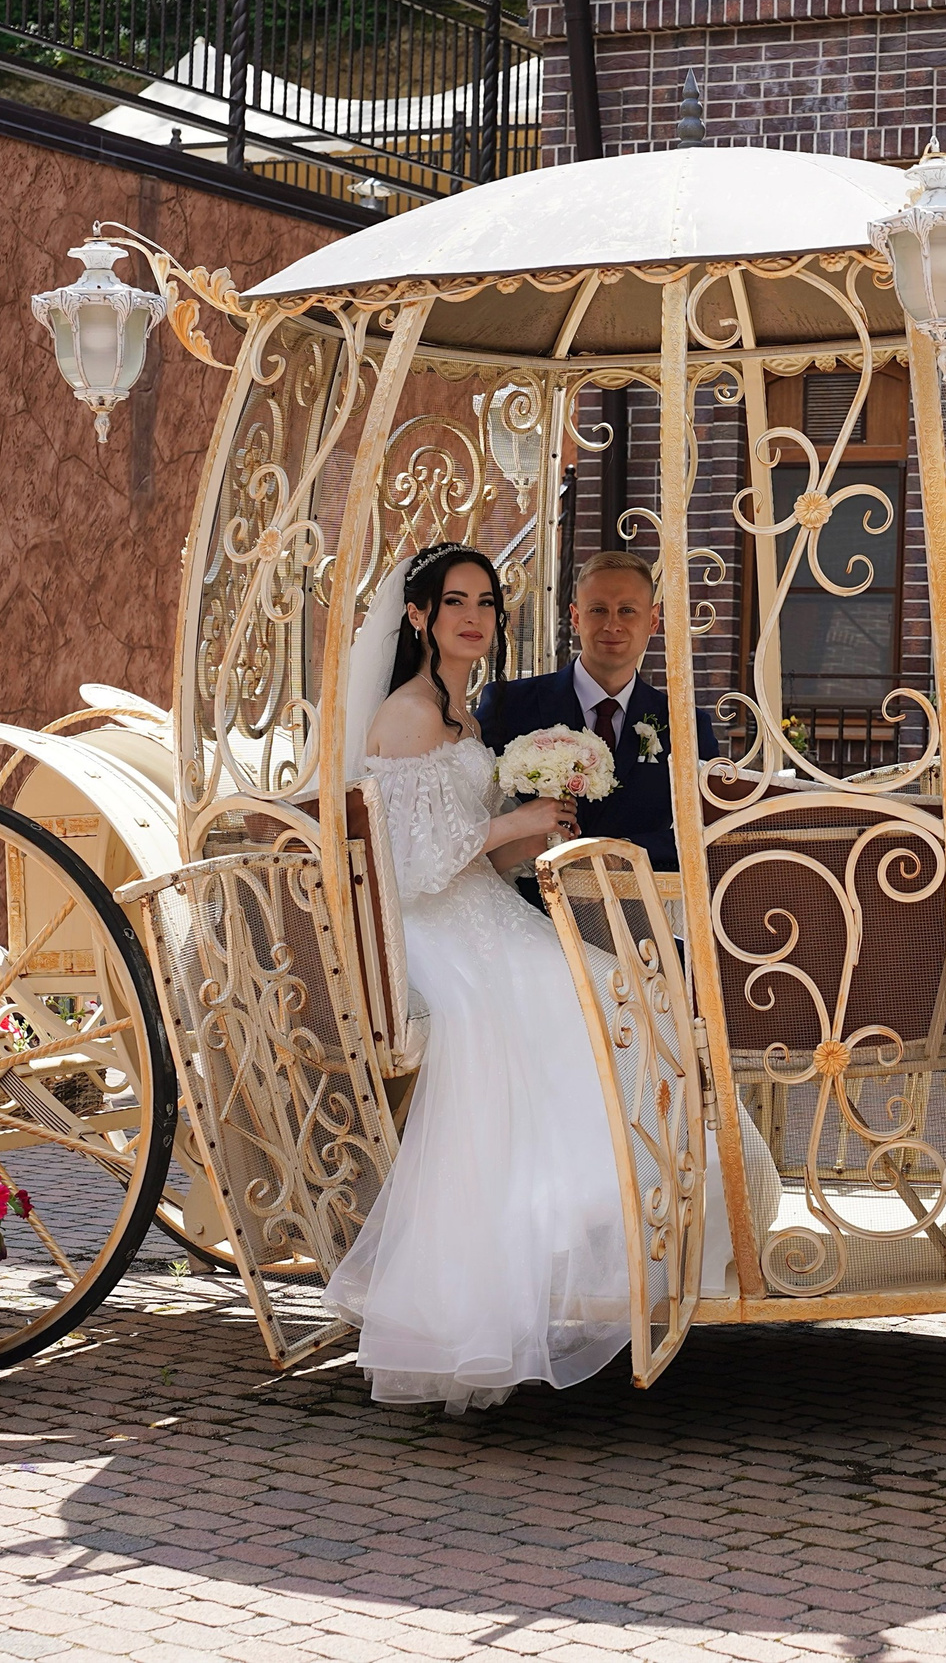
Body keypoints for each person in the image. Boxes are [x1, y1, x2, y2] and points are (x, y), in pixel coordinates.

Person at [318, 543, 634, 1411]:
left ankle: (585, 1238)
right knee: (545, 1005)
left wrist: (532, 832)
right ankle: (526, 1258)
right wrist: (513, 823)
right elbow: (414, 867)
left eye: (487, 603)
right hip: (426, 930)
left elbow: (475, 863)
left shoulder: (462, 717)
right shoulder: (413, 714)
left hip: (476, 910)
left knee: (604, 986)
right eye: (455, 601)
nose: (474, 617)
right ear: (418, 616)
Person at [477, 549, 721, 873]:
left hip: (637, 909)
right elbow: (472, 809)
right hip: (526, 905)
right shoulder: (509, 704)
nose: (612, 624)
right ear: (576, 617)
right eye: (598, 610)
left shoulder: (686, 726)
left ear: (652, 620)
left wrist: (623, 853)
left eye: (627, 611)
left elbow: (706, 831)